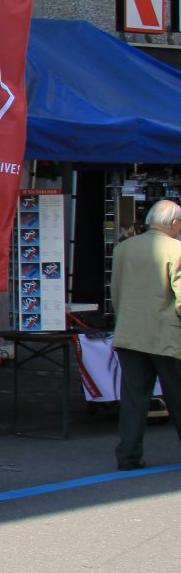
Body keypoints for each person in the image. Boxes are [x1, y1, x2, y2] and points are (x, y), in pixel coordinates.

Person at [109, 198, 181, 471]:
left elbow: (116, 291)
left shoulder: (123, 249)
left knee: (133, 398)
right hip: (167, 336)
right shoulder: (177, 250)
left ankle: (128, 455)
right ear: (174, 223)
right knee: (177, 396)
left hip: (130, 331)